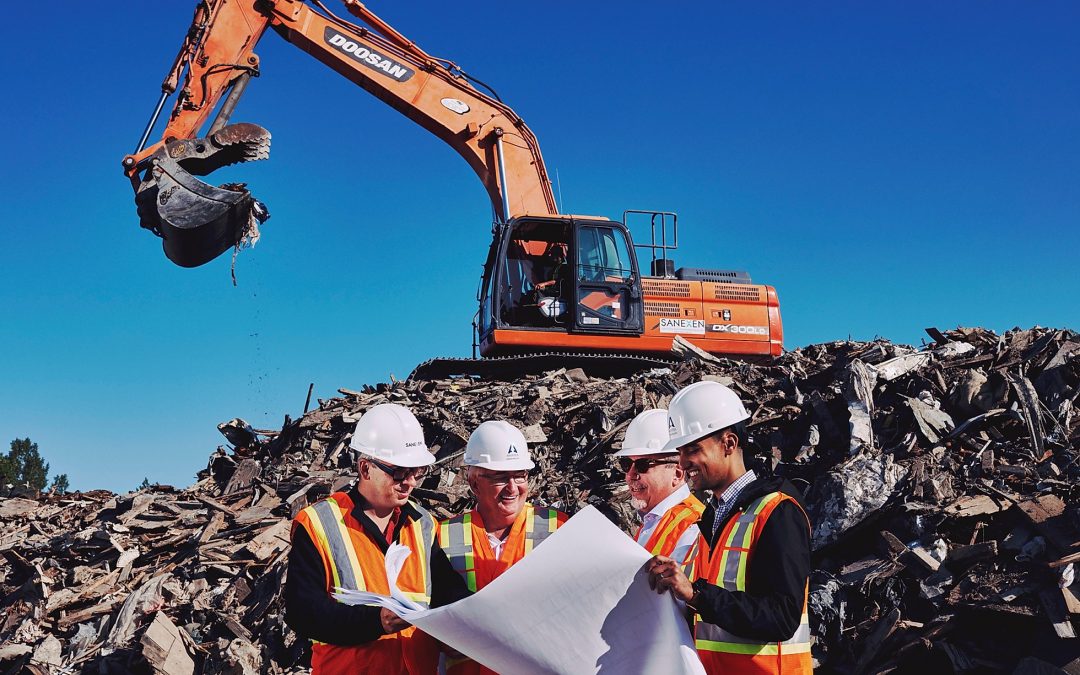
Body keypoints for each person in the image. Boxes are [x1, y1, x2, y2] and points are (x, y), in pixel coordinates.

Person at [285, 403, 471, 674]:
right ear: (365, 469)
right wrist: (376, 622)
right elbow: (303, 612)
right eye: (398, 472)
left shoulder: (422, 524)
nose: (410, 482)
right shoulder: (319, 524)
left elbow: (445, 590)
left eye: (416, 471)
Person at [646, 381, 812, 674]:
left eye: (693, 449)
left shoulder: (778, 511)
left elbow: (783, 617)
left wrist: (697, 594)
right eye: (681, 452)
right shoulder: (714, 517)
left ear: (729, 444)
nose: (684, 463)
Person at [437, 420, 568, 675]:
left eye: (520, 476)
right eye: (500, 478)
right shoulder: (442, 536)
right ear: (474, 483)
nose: (513, 488)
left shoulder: (559, 529)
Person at [614, 408, 703, 566]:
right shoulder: (652, 520)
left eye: (642, 465)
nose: (629, 475)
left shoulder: (694, 526)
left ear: (677, 474)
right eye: (626, 464)